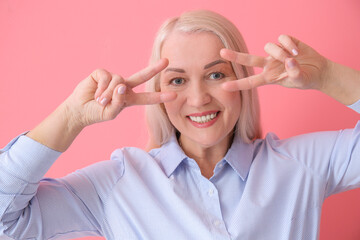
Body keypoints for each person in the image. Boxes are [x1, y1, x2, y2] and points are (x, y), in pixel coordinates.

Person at [0, 9, 359, 240]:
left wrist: (327, 76)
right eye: (177, 80)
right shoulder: (118, 184)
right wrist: (71, 117)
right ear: (157, 92)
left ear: (244, 81)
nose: (199, 98)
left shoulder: (300, 165)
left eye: (215, 75)